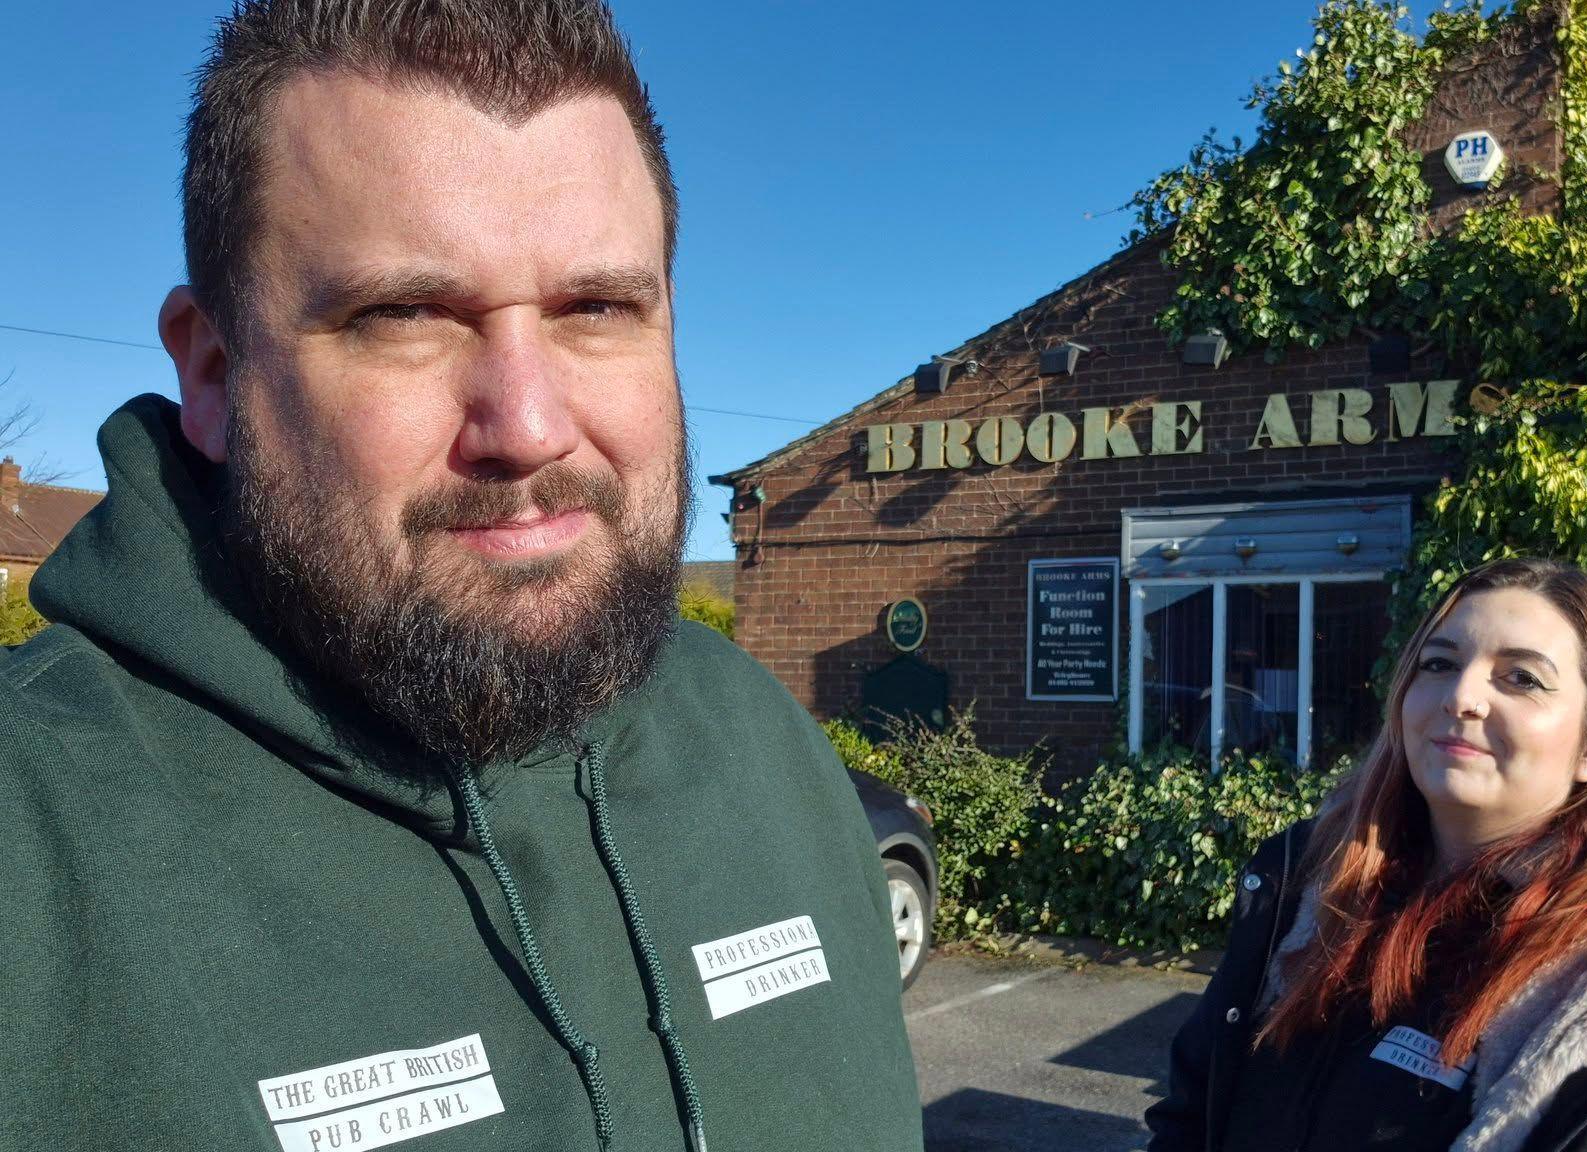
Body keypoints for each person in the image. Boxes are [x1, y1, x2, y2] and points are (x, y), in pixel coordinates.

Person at [0, 3, 921, 1150]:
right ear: (215, 371)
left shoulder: (759, 743)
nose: (528, 428)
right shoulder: (33, 864)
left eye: (595, 308)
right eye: (405, 315)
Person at [1147, 557, 1587, 1152]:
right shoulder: (1306, 889)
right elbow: (1190, 1115)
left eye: (1521, 677)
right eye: (1438, 662)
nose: (1461, 695)